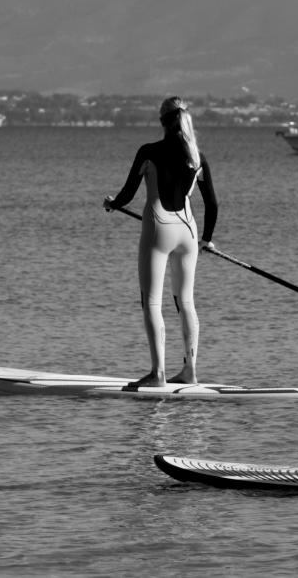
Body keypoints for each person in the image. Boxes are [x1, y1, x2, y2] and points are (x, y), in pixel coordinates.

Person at [104, 97, 218, 388]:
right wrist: (207, 239)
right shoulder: (197, 156)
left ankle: (158, 374)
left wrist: (112, 204)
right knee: (186, 301)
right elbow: (213, 205)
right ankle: (190, 370)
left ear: (163, 122)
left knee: (151, 302)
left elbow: (128, 193)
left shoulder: (148, 151)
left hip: (158, 231)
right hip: (189, 234)